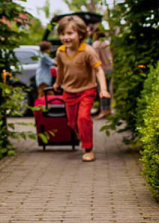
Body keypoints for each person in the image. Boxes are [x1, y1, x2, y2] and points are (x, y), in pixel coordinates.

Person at [53, 15, 110, 162]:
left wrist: (103, 89)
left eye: (70, 33)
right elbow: (60, 68)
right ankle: (82, 134)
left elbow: (99, 70)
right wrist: (58, 83)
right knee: (72, 123)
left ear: (80, 34)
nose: (66, 37)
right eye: (63, 34)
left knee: (83, 118)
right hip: (69, 91)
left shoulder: (88, 51)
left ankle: (88, 149)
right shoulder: (60, 52)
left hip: (87, 90)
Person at [92, 31, 113, 119]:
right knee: (108, 89)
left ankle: (103, 111)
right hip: (110, 68)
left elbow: (95, 58)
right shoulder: (107, 43)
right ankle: (107, 109)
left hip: (101, 70)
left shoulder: (96, 44)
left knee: (101, 90)